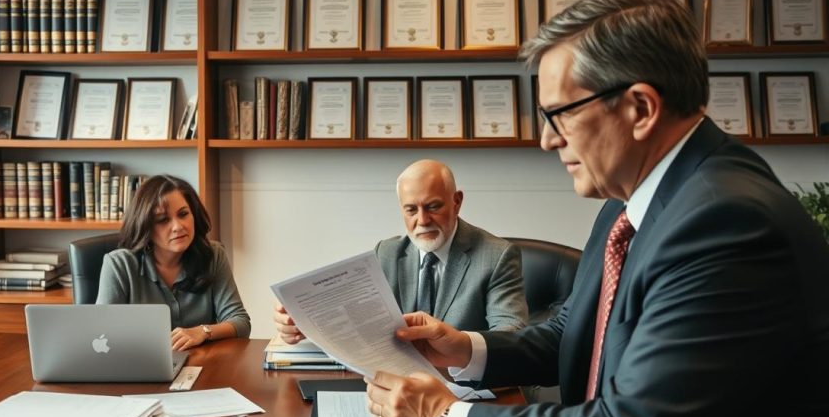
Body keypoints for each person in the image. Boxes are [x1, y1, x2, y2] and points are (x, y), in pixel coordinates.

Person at [360, 0, 829, 417]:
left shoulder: (726, 223)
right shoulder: (631, 200)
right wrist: (466, 348)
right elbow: (579, 331)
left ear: (640, 109)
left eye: (559, 113)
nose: (545, 139)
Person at [275, 159, 528, 341]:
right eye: (411, 210)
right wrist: (302, 325)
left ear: (457, 202)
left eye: (433, 206)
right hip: (397, 385)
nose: (423, 220)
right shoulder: (387, 253)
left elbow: (511, 336)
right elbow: (354, 318)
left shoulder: (497, 256)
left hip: (463, 388)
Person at [97, 175, 250, 350]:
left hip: (203, 367)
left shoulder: (213, 255)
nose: (178, 226)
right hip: (140, 366)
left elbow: (240, 322)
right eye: (163, 220)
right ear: (145, 226)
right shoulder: (119, 264)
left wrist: (202, 331)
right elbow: (103, 333)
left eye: (183, 214)